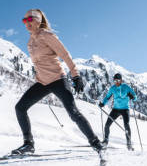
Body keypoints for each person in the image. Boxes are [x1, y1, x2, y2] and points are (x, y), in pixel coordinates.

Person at [12, 9, 104, 155]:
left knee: (73, 113)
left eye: (29, 20)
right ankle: (28, 144)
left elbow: (65, 55)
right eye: (24, 21)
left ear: (37, 20)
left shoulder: (47, 36)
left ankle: (96, 143)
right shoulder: (30, 42)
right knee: (20, 108)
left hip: (57, 80)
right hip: (42, 83)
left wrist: (75, 75)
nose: (26, 23)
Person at [99, 73, 137, 150]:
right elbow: (107, 97)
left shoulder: (126, 87)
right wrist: (103, 103)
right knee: (107, 125)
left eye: (118, 80)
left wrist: (132, 96)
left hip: (125, 109)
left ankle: (129, 143)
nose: (116, 82)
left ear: (121, 80)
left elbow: (135, 97)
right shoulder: (112, 88)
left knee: (126, 125)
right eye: (115, 80)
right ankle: (105, 141)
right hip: (115, 109)